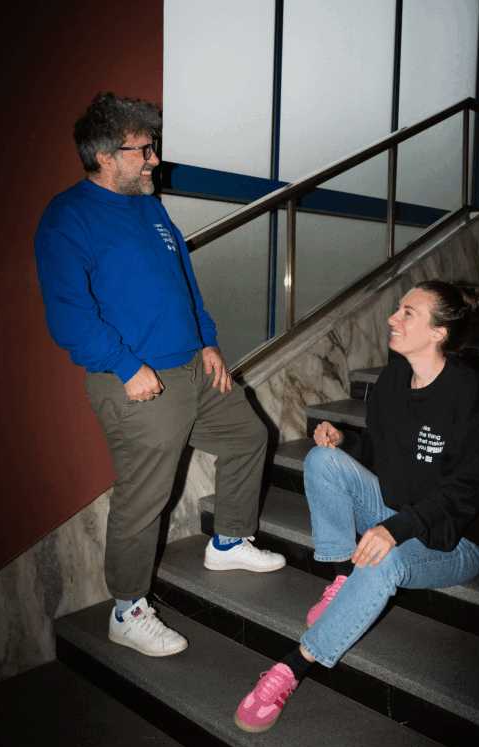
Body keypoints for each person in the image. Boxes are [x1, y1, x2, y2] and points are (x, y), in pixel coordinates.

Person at [35, 92, 285, 659]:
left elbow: (184, 280)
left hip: (194, 364)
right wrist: (127, 365)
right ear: (106, 157)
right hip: (136, 379)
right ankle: (127, 609)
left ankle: (227, 540)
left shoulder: (149, 205)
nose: (154, 160)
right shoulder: (67, 217)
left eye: (153, 148)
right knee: (146, 497)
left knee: (249, 437)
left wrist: (209, 341)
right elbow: (69, 315)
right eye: (144, 150)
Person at [234, 280, 479, 732]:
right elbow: (378, 449)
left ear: (438, 333)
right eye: (397, 309)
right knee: (323, 459)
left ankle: (292, 668)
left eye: (408, 313)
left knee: (385, 555)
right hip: (395, 511)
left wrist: (397, 529)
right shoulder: (394, 378)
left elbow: (467, 490)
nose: (393, 319)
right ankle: (341, 578)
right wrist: (345, 441)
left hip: (450, 542)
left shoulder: (468, 392)